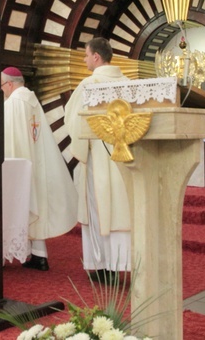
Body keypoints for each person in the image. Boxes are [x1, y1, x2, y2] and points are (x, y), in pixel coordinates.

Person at [63, 37, 131, 282]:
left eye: (85, 55)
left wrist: (80, 148)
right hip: (125, 158)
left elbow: (74, 120)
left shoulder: (89, 84)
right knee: (123, 208)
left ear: (96, 57)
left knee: (98, 209)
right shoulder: (128, 84)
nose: (84, 59)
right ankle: (122, 263)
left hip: (98, 156)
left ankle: (102, 266)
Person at [1, 67, 78, 271]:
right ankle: (38, 255)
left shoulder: (15, 103)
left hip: (19, 162)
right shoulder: (31, 99)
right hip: (36, 161)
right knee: (37, 204)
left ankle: (15, 253)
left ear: (9, 84)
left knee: (22, 204)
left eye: (2, 86)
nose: (3, 91)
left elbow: (10, 137)